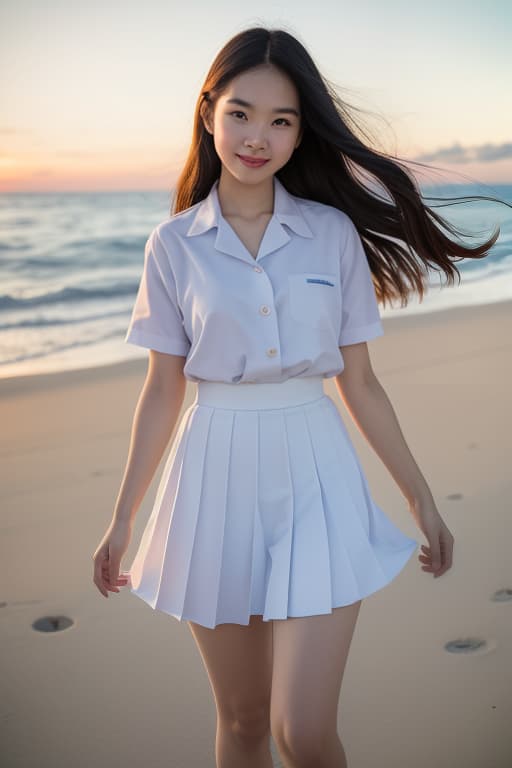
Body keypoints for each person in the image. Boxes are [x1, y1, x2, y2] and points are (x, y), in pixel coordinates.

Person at [92, 26, 504, 768]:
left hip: (317, 471)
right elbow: (161, 390)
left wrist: (422, 500)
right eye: (242, 113)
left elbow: (362, 382)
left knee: (302, 733)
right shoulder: (174, 245)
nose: (259, 137)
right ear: (208, 111)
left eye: (282, 121)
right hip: (211, 474)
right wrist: (123, 518)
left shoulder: (331, 234)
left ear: (300, 133)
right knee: (244, 722)